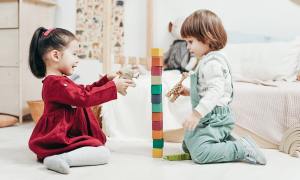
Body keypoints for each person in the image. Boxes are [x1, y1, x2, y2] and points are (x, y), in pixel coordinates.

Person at [28, 27, 135, 174]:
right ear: (56, 55)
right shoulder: (55, 83)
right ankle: (62, 158)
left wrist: (105, 81)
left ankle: (60, 156)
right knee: (103, 153)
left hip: (67, 133)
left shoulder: (60, 81)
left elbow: (83, 91)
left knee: (99, 148)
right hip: (60, 136)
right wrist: (113, 87)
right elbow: (84, 98)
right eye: (74, 54)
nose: (77, 59)